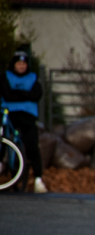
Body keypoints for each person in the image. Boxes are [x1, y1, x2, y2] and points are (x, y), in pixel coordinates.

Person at [0, 50, 46, 193]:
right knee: (2, 138)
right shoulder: (6, 76)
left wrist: (15, 94)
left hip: (27, 115)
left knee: (32, 145)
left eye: (24, 64)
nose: (21, 66)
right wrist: (25, 95)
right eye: (19, 64)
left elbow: (36, 94)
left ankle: (38, 179)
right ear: (14, 65)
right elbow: (6, 94)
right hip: (8, 114)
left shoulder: (33, 78)